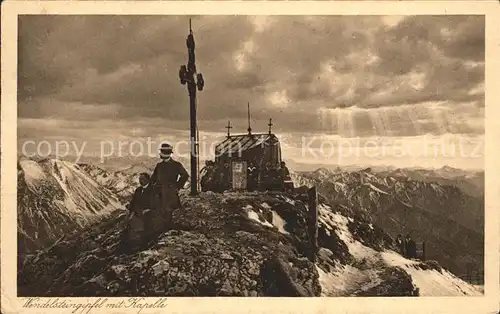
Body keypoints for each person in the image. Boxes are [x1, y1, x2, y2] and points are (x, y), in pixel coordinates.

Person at [150, 143, 189, 232]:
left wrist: (177, 186)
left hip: (170, 193)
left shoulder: (176, 165)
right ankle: (161, 230)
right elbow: (153, 178)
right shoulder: (159, 166)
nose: (160, 154)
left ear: (165, 153)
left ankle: (167, 230)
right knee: (160, 211)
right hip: (159, 192)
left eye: (161, 152)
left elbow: (185, 175)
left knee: (168, 211)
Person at [122, 173, 160, 251]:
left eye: (142, 179)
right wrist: (130, 211)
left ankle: (144, 246)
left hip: (149, 214)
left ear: (148, 180)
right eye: (139, 179)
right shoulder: (138, 190)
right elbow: (133, 202)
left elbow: (156, 203)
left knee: (145, 228)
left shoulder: (153, 189)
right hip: (138, 213)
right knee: (128, 226)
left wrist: (149, 210)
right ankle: (129, 248)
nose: (140, 181)